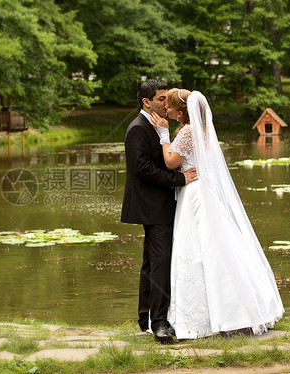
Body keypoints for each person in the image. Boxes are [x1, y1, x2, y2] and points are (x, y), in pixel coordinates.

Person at [149, 89, 284, 339]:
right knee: (213, 246)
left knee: (198, 248)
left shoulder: (187, 131)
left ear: (180, 112)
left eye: (169, 107)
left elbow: (170, 162)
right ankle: (231, 310)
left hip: (195, 194)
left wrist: (163, 134)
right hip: (201, 189)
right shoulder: (202, 130)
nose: (166, 110)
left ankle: (207, 318)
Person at [121, 79, 198, 341]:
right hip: (152, 206)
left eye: (167, 99)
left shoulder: (158, 125)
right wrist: (179, 179)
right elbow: (143, 169)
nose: (167, 103)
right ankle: (161, 324)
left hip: (163, 204)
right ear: (147, 102)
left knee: (151, 265)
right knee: (160, 264)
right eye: (162, 99)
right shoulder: (137, 129)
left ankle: (146, 318)